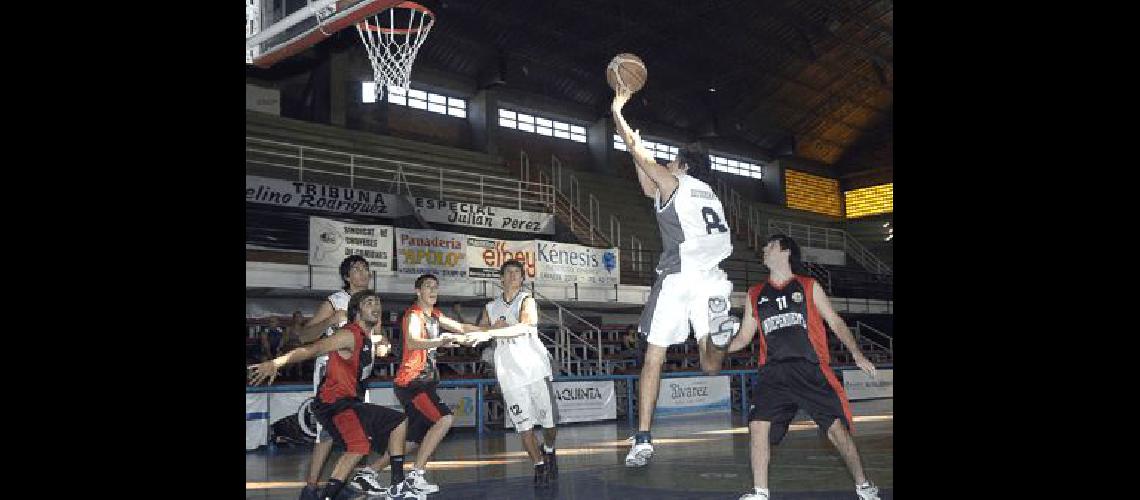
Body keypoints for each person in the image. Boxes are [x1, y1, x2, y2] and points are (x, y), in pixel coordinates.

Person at [611, 85, 741, 467]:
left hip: (680, 274)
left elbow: (640, 158)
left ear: (682, 166)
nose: (666, 163)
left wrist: (619, 114)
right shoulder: (709, 195)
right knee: (710, 364)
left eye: (671, 161)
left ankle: (644, 439)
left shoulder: (676, 183)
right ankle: (719, 337)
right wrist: (640, 155)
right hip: (714, 277)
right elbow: (645, 181)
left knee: (654, 356)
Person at [726, 235, 880, 500]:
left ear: (785, 251)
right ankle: (760, 492)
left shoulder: (808, 286)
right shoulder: (754, 294)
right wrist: (717, 347)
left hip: (810, 368)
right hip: (773, 372)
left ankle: (863, 484)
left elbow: (835, 321)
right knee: (758, 426)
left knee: (837, 432)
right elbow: (742, 338)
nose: (764, 249)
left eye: (769, 245)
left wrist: (856, 353)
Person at [248, 290, 423, 500]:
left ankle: (333, 494)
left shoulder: (368, 338)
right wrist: (276, 363)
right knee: (396, 422)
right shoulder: (348, 334)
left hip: (345, 403)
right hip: (336, 404)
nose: (376, 306)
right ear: (356, 311)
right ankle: (397, 484)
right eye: (369, 302)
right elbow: (312, 349)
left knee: (359, 447)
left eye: (378, 302)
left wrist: (384, 344)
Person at [388, 274, 487, 495]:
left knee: (413, 439)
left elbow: (461, 327)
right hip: (412, 382)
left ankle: (369, 472)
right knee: (445, 419)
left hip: (424, 382)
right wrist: (441, 341)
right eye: (427, 287)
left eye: (435, 287)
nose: (433, 291)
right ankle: (416, 475)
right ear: (417, 291)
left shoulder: (435, 315)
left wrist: (488, 330)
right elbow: (413, 341)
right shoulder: (413, 315)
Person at [295, 255, 373, 498]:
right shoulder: (335, 301)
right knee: (326, 432)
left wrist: (383, 343)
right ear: (347, 277)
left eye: (365, 268)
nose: (362, 272)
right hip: (331, 372)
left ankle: (343, 485)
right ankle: (310, 488)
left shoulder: (371, 304)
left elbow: (372, 337)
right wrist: (330, 320)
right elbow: (304, 335)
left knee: (358, 430)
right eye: (356, 269)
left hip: (358, 374)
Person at [477, 260, 559, 485]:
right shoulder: (490, 307)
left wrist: (497, 329)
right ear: (501, 278)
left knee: (550, 425)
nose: (513, 275)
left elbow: (527, 323)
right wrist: (467, 334)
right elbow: (481, 331)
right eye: (509, 272)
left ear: (523, 279)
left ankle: (549, 448)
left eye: (517, 273)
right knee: (524, 425)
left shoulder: (527, 300)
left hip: (534, 369)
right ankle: (539, 465)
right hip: (509, 374)